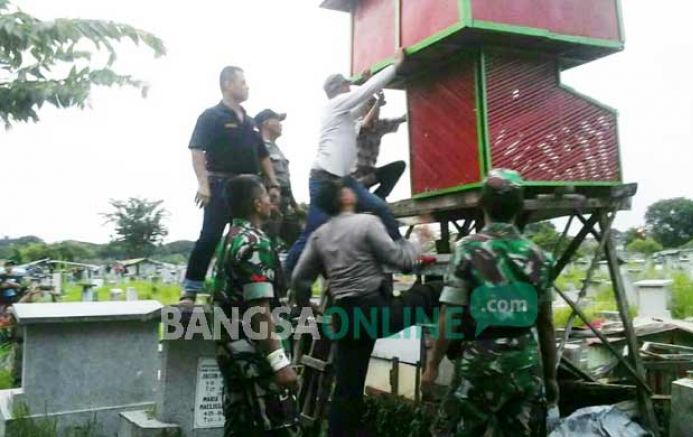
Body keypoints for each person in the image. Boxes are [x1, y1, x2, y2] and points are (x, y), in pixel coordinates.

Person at [291, 177, 442, 437]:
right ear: (346, 198)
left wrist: (307, 308)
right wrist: (419, 240)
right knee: (434, 291)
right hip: (374, 313)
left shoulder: (319, 236)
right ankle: (461, 341)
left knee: (347, 389)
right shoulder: (367, 223)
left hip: (344, 317)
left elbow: (299, 279)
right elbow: (399, 260)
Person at [420, 169, 558, 437]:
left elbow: (450, 315)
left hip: (478, 363)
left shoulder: (468, 249)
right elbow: (546, 324)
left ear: (482, 204)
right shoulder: (540, 256)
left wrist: (433, 365)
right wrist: (551, 376)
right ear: (520, 207)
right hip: (524, 365)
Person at [182, 175, 298, 436]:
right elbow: (259, 310)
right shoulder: (255, 243)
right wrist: (280, 362)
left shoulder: (229, 239)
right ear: (257, 204)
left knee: (240, 426)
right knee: (276, 427)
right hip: (257, 361)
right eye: (267, 197)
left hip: (231, 356)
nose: (271, 203)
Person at [284, 49, 407, 275]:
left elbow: (364, 107)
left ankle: (402, 251)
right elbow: (363, 95)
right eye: (347, 86)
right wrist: (394, 67)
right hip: (324, 181)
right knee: (313, 232)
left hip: (344, 181)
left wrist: (373, 91)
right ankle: (283, 278)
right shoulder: (334, 106)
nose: (350, 88)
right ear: (338, 89)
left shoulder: (343, 116)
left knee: (379, 207)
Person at [182, 66, 282, 298]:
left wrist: (273, 184)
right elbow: (196, 150)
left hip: (250, 188)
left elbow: (262, 155)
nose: (247, 86)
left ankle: (260, 292)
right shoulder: (211, 116)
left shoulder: (250, 122)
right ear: (228, 84)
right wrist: (203, 184)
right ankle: (190, 290)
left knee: (253, 239)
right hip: (220, 185)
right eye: (243, 82)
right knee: (210, 236)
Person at [255, 109, 301, 250]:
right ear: (266, 123)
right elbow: (256, 177)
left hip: (285, 204)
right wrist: (266, 201)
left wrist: (294, 205)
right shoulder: (258, 147)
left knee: (300, 242)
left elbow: (284, 179)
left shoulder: (276, 148)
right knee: (268, 244)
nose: (280, 125)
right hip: (271, 204)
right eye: (277, 121)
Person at [353, 92, 407, 200]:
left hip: (370, 175)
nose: (376, 110)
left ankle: (379, 197)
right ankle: (371, 201)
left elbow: (403, 118)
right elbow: (365, 124)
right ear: (363, 110)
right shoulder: (355, 124)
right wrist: (378, 103)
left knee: (399, 166)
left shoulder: (380, 125)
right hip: (355, 180)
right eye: (371, 106)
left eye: (377, 108)